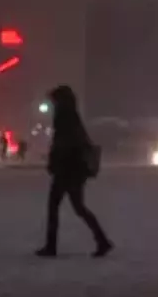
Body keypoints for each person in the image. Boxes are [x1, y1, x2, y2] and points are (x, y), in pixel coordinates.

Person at [36, 85, 112, 258]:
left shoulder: (64, 117)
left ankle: (51, 246)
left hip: (67, 169)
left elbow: (63, 144)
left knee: (56, 207)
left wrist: (54, 161)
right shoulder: (72, 116)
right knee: (78, 207)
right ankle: (102, 240)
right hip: (75, 170)